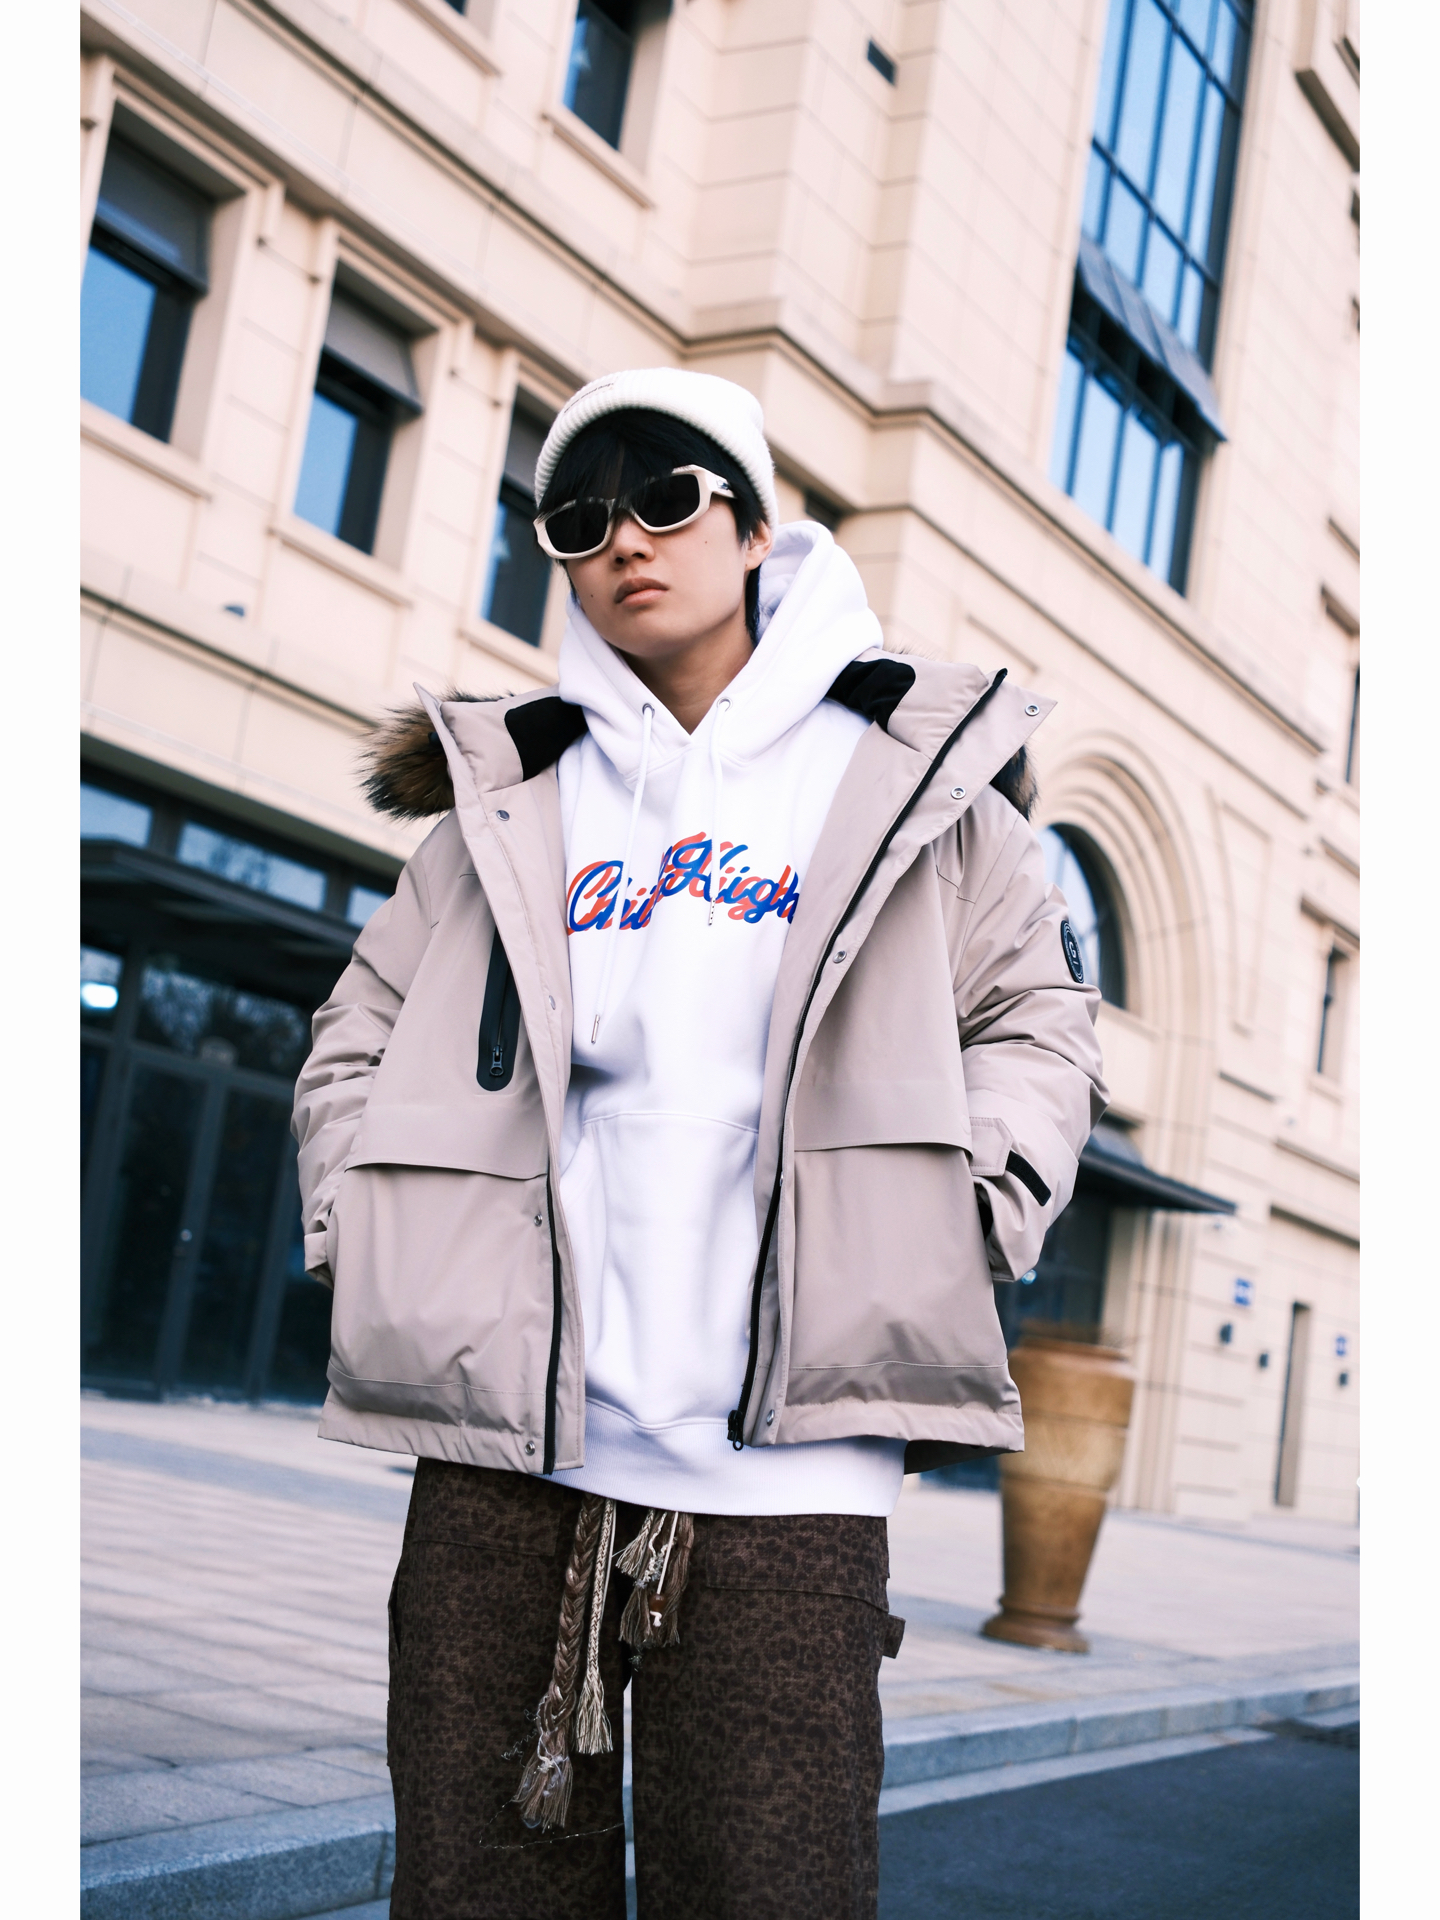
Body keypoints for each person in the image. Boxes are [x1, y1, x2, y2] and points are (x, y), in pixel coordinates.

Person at [292, 367, 1107, 1919]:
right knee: (475, 1890)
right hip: (506, 1451)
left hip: (787, 1474)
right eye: (578, 518)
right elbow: (358, 1034)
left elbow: (1038, 1023)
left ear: (751, 531)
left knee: (769, 1888)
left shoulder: (908, 780)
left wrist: (968, 1209)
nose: (625, 540)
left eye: (667, 498)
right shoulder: (510, 798)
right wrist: (367, 1227)